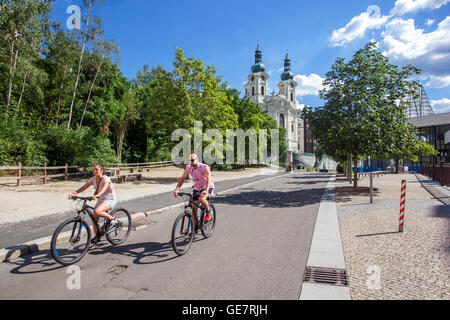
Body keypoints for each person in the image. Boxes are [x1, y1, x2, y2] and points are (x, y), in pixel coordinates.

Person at [69, 164, 118, 244]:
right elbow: (84, 187)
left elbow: (104, 188)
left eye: (96, 170)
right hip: (100, 201)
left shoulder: (106, 179)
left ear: (101, 171)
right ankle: (97, 236)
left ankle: (112, 219)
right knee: (94, 219)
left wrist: (98, 194)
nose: (94, 171)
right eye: (93, 170)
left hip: (110, 199)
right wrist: (75, 193)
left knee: (97, 211)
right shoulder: (93, 179)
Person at [173, 154, 215, 233]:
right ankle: (194, 229)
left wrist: (206, 190)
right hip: (197, 188)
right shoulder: (188, 168)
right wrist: (177, 189)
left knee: (202, 199)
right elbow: (182, 178)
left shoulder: (204, 167)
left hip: (208, 186)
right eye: (189, 161)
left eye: (192, 160)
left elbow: (209, 178)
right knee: (194, 209)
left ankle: (208, 212)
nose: (191, 162)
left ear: (197, 159)